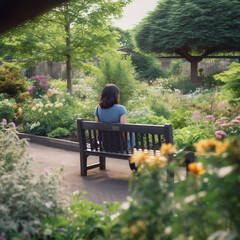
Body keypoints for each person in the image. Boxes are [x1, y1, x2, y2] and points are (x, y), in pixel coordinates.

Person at [95, 83, 136, 170]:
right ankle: (133, 166)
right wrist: (127, 142)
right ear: (116, 95)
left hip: (106, 145)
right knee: (130, 137)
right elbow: (123, 129)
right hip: (120, 146)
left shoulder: (98, 108)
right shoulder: (121, 109)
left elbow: (98, 127)